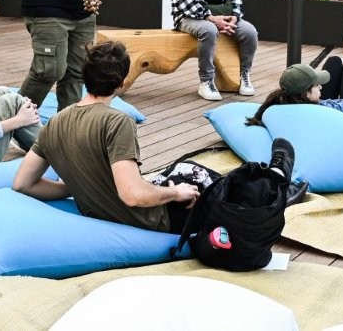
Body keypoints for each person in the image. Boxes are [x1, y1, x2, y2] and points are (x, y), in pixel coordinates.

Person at [12, 41, 202, 233]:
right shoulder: (117, 122)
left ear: (85, 77)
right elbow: (132, 195)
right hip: (153, 221)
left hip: (98, 213)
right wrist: (174, 193)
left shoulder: (55, 122)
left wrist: (74, 187)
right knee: (201, 181)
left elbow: (22, 184)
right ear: (122, 82)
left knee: (180, 171)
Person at [246, 57, 343, 126]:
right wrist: (322, 102)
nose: (321, 87)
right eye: (316, 85)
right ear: (306, 94)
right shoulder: (320, 110)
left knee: (334, 61)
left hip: (311, 105)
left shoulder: (278, 102)